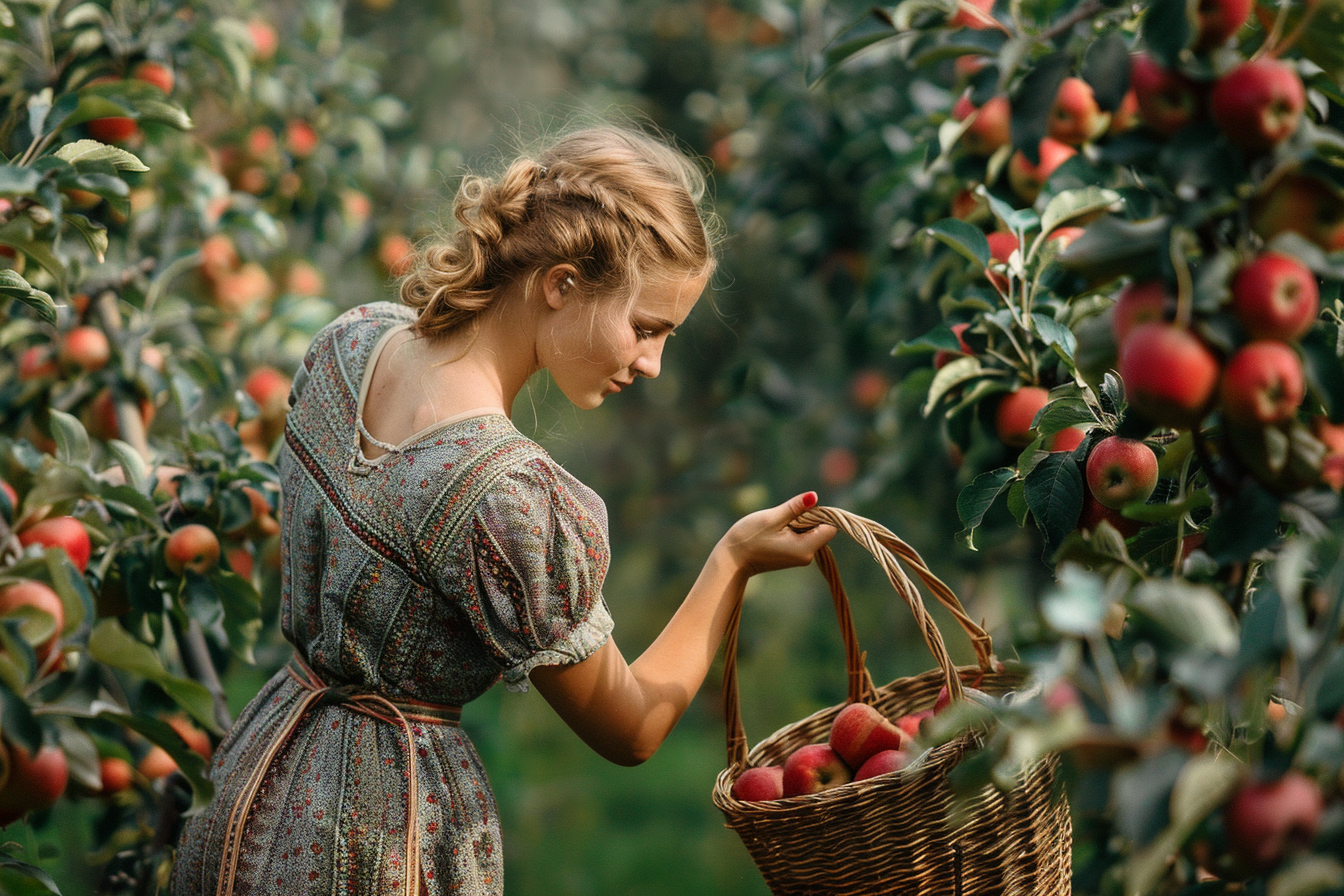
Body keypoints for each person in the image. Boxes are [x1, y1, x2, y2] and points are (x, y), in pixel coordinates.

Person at [169, 124, 836, 896]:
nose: (651, 362)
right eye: (646, 328)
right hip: (381, 837)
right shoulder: (504, 496)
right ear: (560, 284)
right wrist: (733, 562)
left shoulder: (347, 345)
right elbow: (633, 728)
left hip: (254, 787)